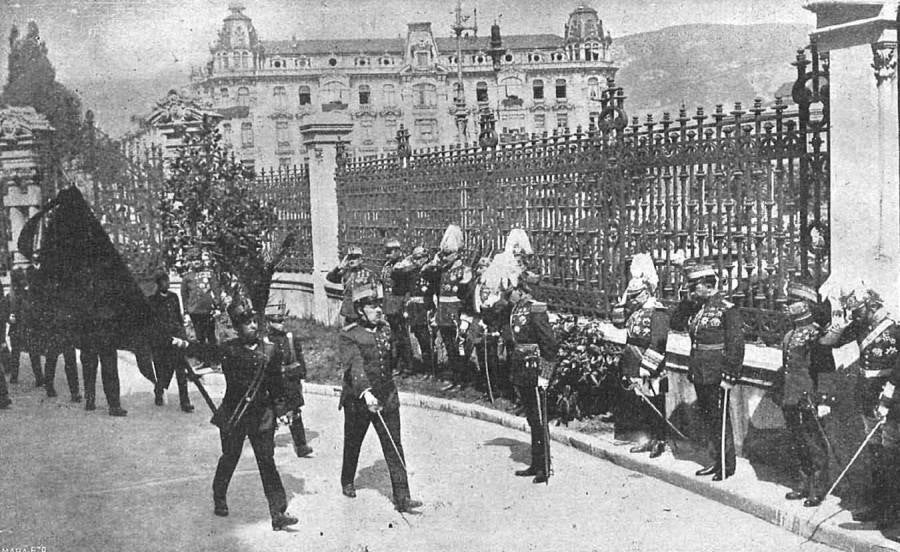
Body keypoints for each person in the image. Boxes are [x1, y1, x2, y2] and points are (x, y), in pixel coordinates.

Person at [176, 302, 298, 531]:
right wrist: (184, 344)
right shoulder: (229, 349)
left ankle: (278, 512)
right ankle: (219, 496)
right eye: (247, 323)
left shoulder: (270, 350)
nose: (253, 326)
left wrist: (282, 411)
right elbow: (205, 351)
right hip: (235, 415)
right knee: (230, 457)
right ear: (237, 327)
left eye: (254, 322)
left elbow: (277, 386)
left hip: (262, 416)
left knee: (267, 462)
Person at [820, 286, 900, 528]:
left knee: (891, 458)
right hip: (867, 398)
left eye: (858, 310)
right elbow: (828, 342)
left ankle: (894, 515)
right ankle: (879, 507)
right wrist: (840, 324)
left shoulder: (895, 327)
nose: (854, 315)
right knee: (874, 455)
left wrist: (888, 399)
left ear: (872, 306)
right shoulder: (859, 325)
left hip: (891, 401)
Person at [338, 285, 422, 512]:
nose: (378, 310)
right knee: (353, 441)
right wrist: (366, 392)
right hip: (359, 399)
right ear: (360, 310)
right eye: (371, 306)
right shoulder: (349, 335)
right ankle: (347, 479)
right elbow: (355, 365)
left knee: (394, 444)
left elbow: (391, 359)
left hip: (387, 396)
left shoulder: (385, 329)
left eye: (378, 305)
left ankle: (402, 497)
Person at [670, 264, 744, 481]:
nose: (691, 291)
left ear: (709, 285)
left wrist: (730, 375)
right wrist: (686, 302)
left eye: (695, 287)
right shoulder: (696, 308)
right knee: (709, 418)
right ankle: (715, 460)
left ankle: (726, 465)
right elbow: (675, 323)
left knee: (720, 419)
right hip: (699, 371)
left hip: (717, 373)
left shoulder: (727, 309)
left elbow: (736, 345)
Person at [777, 298, 836, 507]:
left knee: (814, 444)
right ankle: (803, 484)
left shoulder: (816, 335)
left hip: (809, 397)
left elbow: (826, 368)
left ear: (804, 306)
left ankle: (818, 489)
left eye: (792, 302)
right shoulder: (790, 334)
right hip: (791, 397)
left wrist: (824, 399)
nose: (787, 307)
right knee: (799, 442)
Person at [507, 281, 558, 483]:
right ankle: (536, 463)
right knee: (531, 418)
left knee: (539, 418)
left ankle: (544, 466)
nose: (508, 296)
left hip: (534, 367)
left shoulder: (535, 309)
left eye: (510, 292)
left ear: (521, 291)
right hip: (521, 367)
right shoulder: (516, 308)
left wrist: (545, 374)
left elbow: (549, 344)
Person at [617, 275, 670, 459]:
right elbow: (619, 323)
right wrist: (624, 300)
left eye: (636, 294)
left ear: (647, 292)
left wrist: (648, 366)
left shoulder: (658, 311)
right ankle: (648, 438)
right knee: (642, 404)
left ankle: (659, 440)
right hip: (634, 362)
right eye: (631, 295)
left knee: (655, 403)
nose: (633, 298)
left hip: (650, 364)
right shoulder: (636, 310)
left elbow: (659, 342)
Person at [421, 224, 469, 390]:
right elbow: (424, 273)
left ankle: (462, 379)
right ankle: (455, 378)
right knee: (449, 347)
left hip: (456, 314)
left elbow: (466, 294)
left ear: (457, 253)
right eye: (444, 254)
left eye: (448, 254)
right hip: (443, 313)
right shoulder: (441, 270)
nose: (445, 257)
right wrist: (435, 261)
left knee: (458, 348)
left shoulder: (464, 270)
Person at [266, 308, 313, 458]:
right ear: (269, 322)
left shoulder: (290, 338)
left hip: (290, 380)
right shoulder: (265, 341)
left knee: (295, 412)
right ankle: (267, 443)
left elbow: (299, 356)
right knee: (271, 412)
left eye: (282, 321)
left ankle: (301, 445)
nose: (281, 324)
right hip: (273, 380)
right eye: (277, 321)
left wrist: (302, 373)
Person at [148, 272, 194, 412]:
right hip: (162, 341)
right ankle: (159, 390)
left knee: (181, 371)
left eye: (167, 280)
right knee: (163, 372)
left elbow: (178, 318)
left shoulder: (174, 297)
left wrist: (183, 336)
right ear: (158, 284)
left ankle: (185, 402)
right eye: (164, 281)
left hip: (176, 337)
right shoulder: (152, 300)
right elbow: (152, 322)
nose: (167, 283)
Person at [394, 246, 437, 375]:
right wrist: (408, 262)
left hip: (426, 307)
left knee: (426, 338)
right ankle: (424, 366)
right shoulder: (411, 272)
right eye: (415, 258)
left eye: (420, 258)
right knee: (418, 335)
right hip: (414, 308)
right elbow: (396, 274)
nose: (418, 261)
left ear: (426, 257)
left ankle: (431, 369)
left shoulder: (431, 271)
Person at [181, 250, 221, 365]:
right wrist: (186, 311)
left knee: (211, 335)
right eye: (194, 260)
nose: (196, 262)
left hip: (208, 310)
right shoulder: (187, 277)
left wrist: (217, 306)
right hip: (195, 311)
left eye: (198, 259)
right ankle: (203, 360)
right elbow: (184, 295)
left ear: (201, 260)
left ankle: (214, 361)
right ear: (191, 262)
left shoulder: (209, 274)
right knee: (200, 336)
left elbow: (216, 290)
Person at [381, 239, 413, 374]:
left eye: (391, 252)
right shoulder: (387, 265)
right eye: (387, 252)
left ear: (398, 251)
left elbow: (408, 287)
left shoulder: (404, 265)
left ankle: (408, 365)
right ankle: (396, 364)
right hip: (389, 305)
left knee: (402, 336)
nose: (388, 255)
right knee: (392, 336)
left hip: (399, 305)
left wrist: (405, 304)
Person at [326, 246, 380, 325]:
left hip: (362, 313)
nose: (351, 261)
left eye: (354, 258)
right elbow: (330, 278)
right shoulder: (345, 273)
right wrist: (339, 267)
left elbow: (375, 293)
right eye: (350, 258)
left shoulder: (367, 273)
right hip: (348, 311)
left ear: (360, 259)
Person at [7, 270, 43, 387]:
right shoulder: (28, 295)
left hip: (20, 328)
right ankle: (39, 378)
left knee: (17, 354)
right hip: (26, 328)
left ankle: (14, 377)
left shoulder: (12, 296)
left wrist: (9, 318)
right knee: (33, 354)